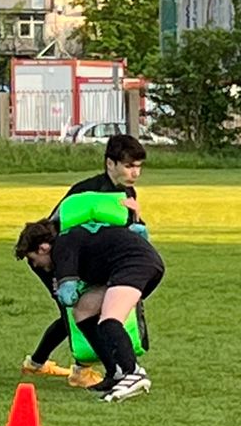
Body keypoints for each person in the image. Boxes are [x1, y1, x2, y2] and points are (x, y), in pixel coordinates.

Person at [22, 133, 149, 385]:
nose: (135, 173)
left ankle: (36, 363)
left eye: (138, 166)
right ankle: (81, 370)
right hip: (54, 259)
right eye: (128, 166)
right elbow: (55, 229)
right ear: (110, 163)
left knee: (87, 308)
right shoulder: (86, 190)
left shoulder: (127, 191)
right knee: (72, 310)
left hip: (88, 260)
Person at [14, 215, 165, 402]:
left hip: (134, 265)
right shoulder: (69, 240)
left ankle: (133, 373)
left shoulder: (61, 248)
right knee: (83, 311)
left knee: (110, 319)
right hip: (133, 264)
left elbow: (67, 295)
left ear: (43, 248)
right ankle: (115, 372)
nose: (36, 265)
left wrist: (62, 287)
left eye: (33, 259)